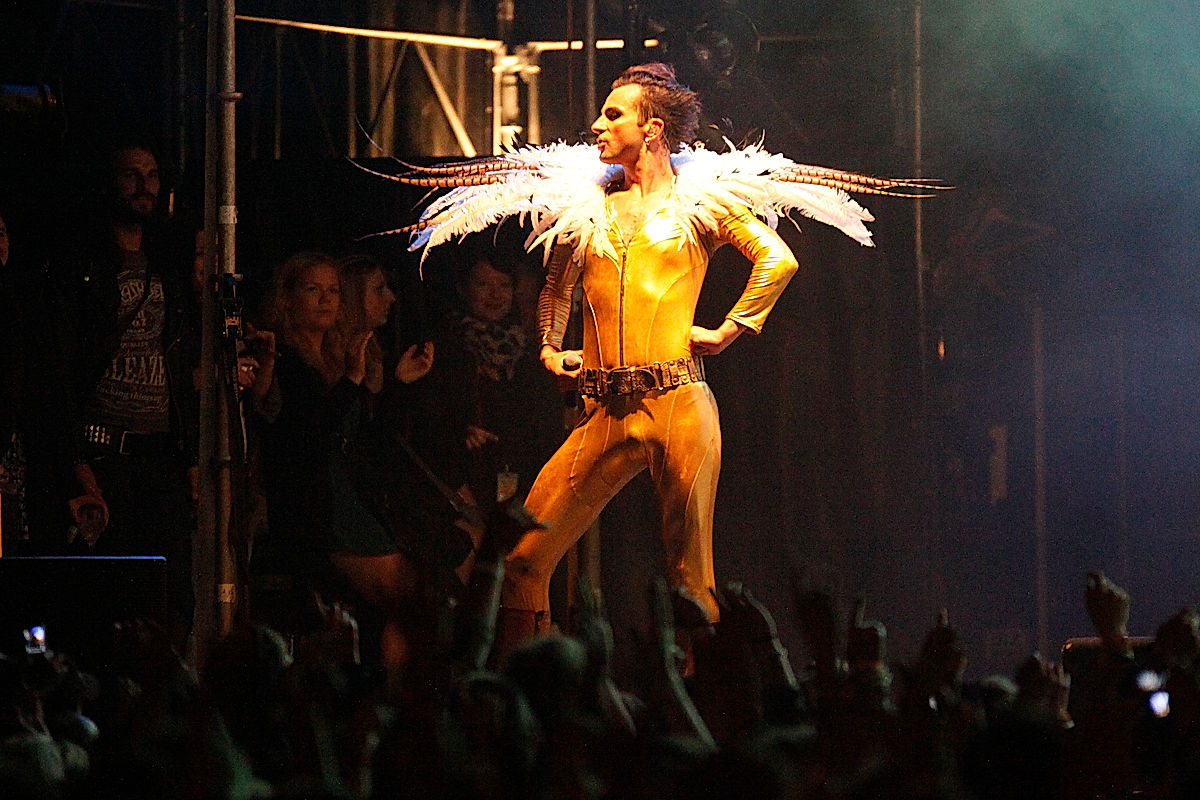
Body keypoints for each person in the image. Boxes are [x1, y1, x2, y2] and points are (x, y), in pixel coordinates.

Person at [494, 63, 800, 641]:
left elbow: (777, 258)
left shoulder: (700, 202)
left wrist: (729, 328)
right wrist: (548, 348)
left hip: (678, 402)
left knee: (690, 577)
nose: (596, 125)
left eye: (612, 115)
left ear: (653, 128)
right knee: (522, 559)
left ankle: (702, 707)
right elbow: (557, 288)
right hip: (605, 411)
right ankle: (529, 703)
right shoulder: (588, 207)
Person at [52, 143, 199, 647]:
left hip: (159, 453)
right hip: (104, 449)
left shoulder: (168, 267)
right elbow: (63, 369)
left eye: (153, 176)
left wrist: (191, 453)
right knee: (113, 595)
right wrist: (76, 460)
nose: (145, 186)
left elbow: (177, 365)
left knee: (174, 589)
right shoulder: (83, 267)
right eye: (133, 175)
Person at [255, 252, 421, 683]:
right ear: (288, 298)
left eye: (333, 291)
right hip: (312, 505)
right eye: (313, 290)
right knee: (402, 591)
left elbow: (363, 438)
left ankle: (392, 694)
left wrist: (393, 385)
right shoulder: (284, 359)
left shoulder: (333, 353)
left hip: (344, 495)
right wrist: (350, 381)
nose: (327, 300)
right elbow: (308, 436)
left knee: (408, 591)